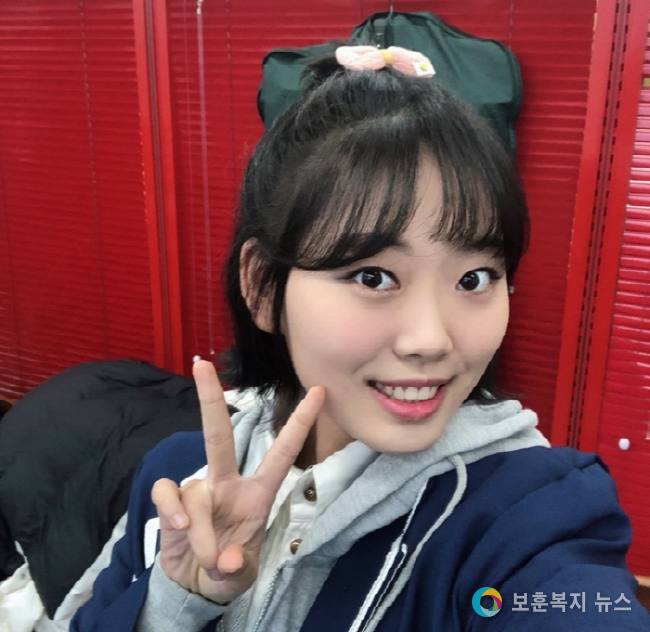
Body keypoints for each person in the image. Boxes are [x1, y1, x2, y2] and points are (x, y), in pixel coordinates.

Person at [71, 45, 650, 632]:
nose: (431, 340)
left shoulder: (531, 514)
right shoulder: (179, 483)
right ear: (264, 287)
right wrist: (175, 604)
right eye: (373, 276)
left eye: (475, 278)